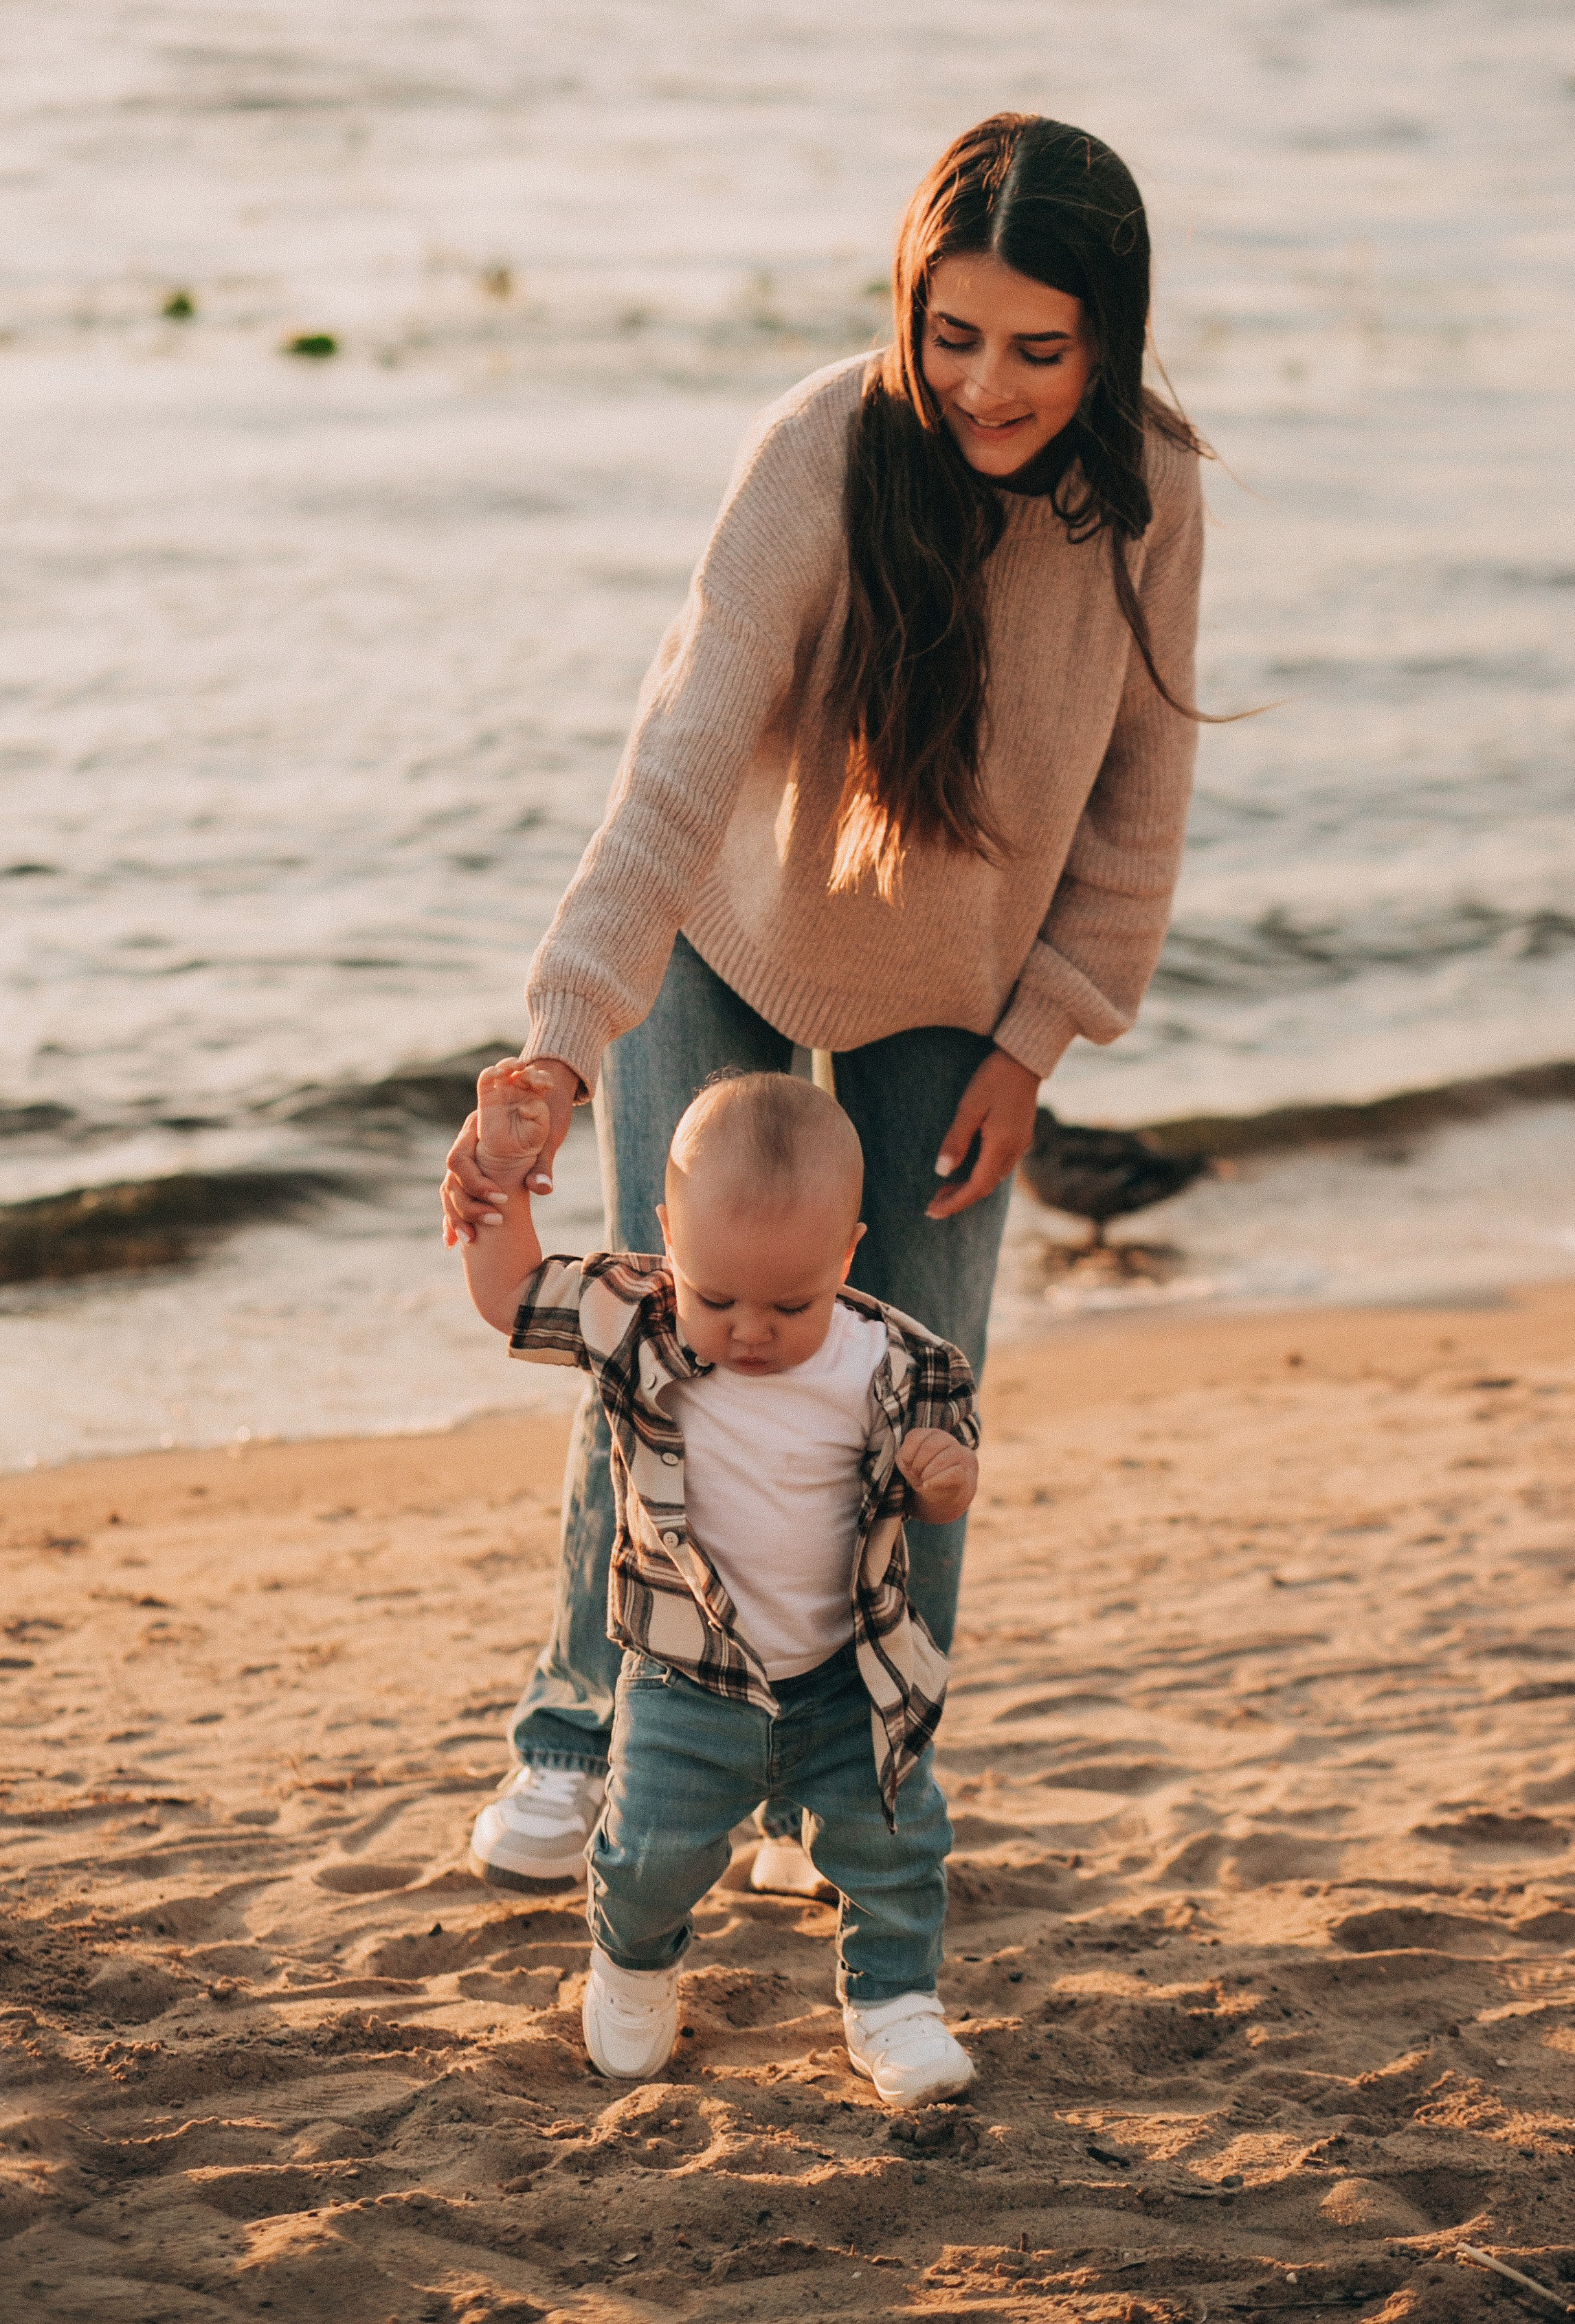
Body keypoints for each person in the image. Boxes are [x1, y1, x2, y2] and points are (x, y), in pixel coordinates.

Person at [442, 109, 1208, 1895]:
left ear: (1107, 337)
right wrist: (560, 1044)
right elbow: (678, 767)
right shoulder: (820, 451)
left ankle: (844, 1774)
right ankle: (579, 1730)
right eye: (953, 336)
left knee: (912, 1381)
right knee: (671, 1337)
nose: (987, 386)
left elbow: (1142, 794)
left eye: (1038, 348)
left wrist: (1039, 1039)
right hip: (727, 938)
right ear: (907, 308)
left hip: (957, 996)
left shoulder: (1149, 495)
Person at [461, 1061, 982, 2106]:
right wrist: (501, 1192)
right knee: (648, 1854)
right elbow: (515, 1298)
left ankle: (893, 2003)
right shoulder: (637, 1318)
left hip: (844, 1681)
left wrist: (945, 1483)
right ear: (669, 1239)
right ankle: (633, 1969)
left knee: (895, 1846)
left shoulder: (899, 1363)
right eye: (716, 1296)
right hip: (683, 1680)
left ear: (847, 1254)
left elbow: (943, 1491)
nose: (749, 1329)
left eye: (791, 1303)